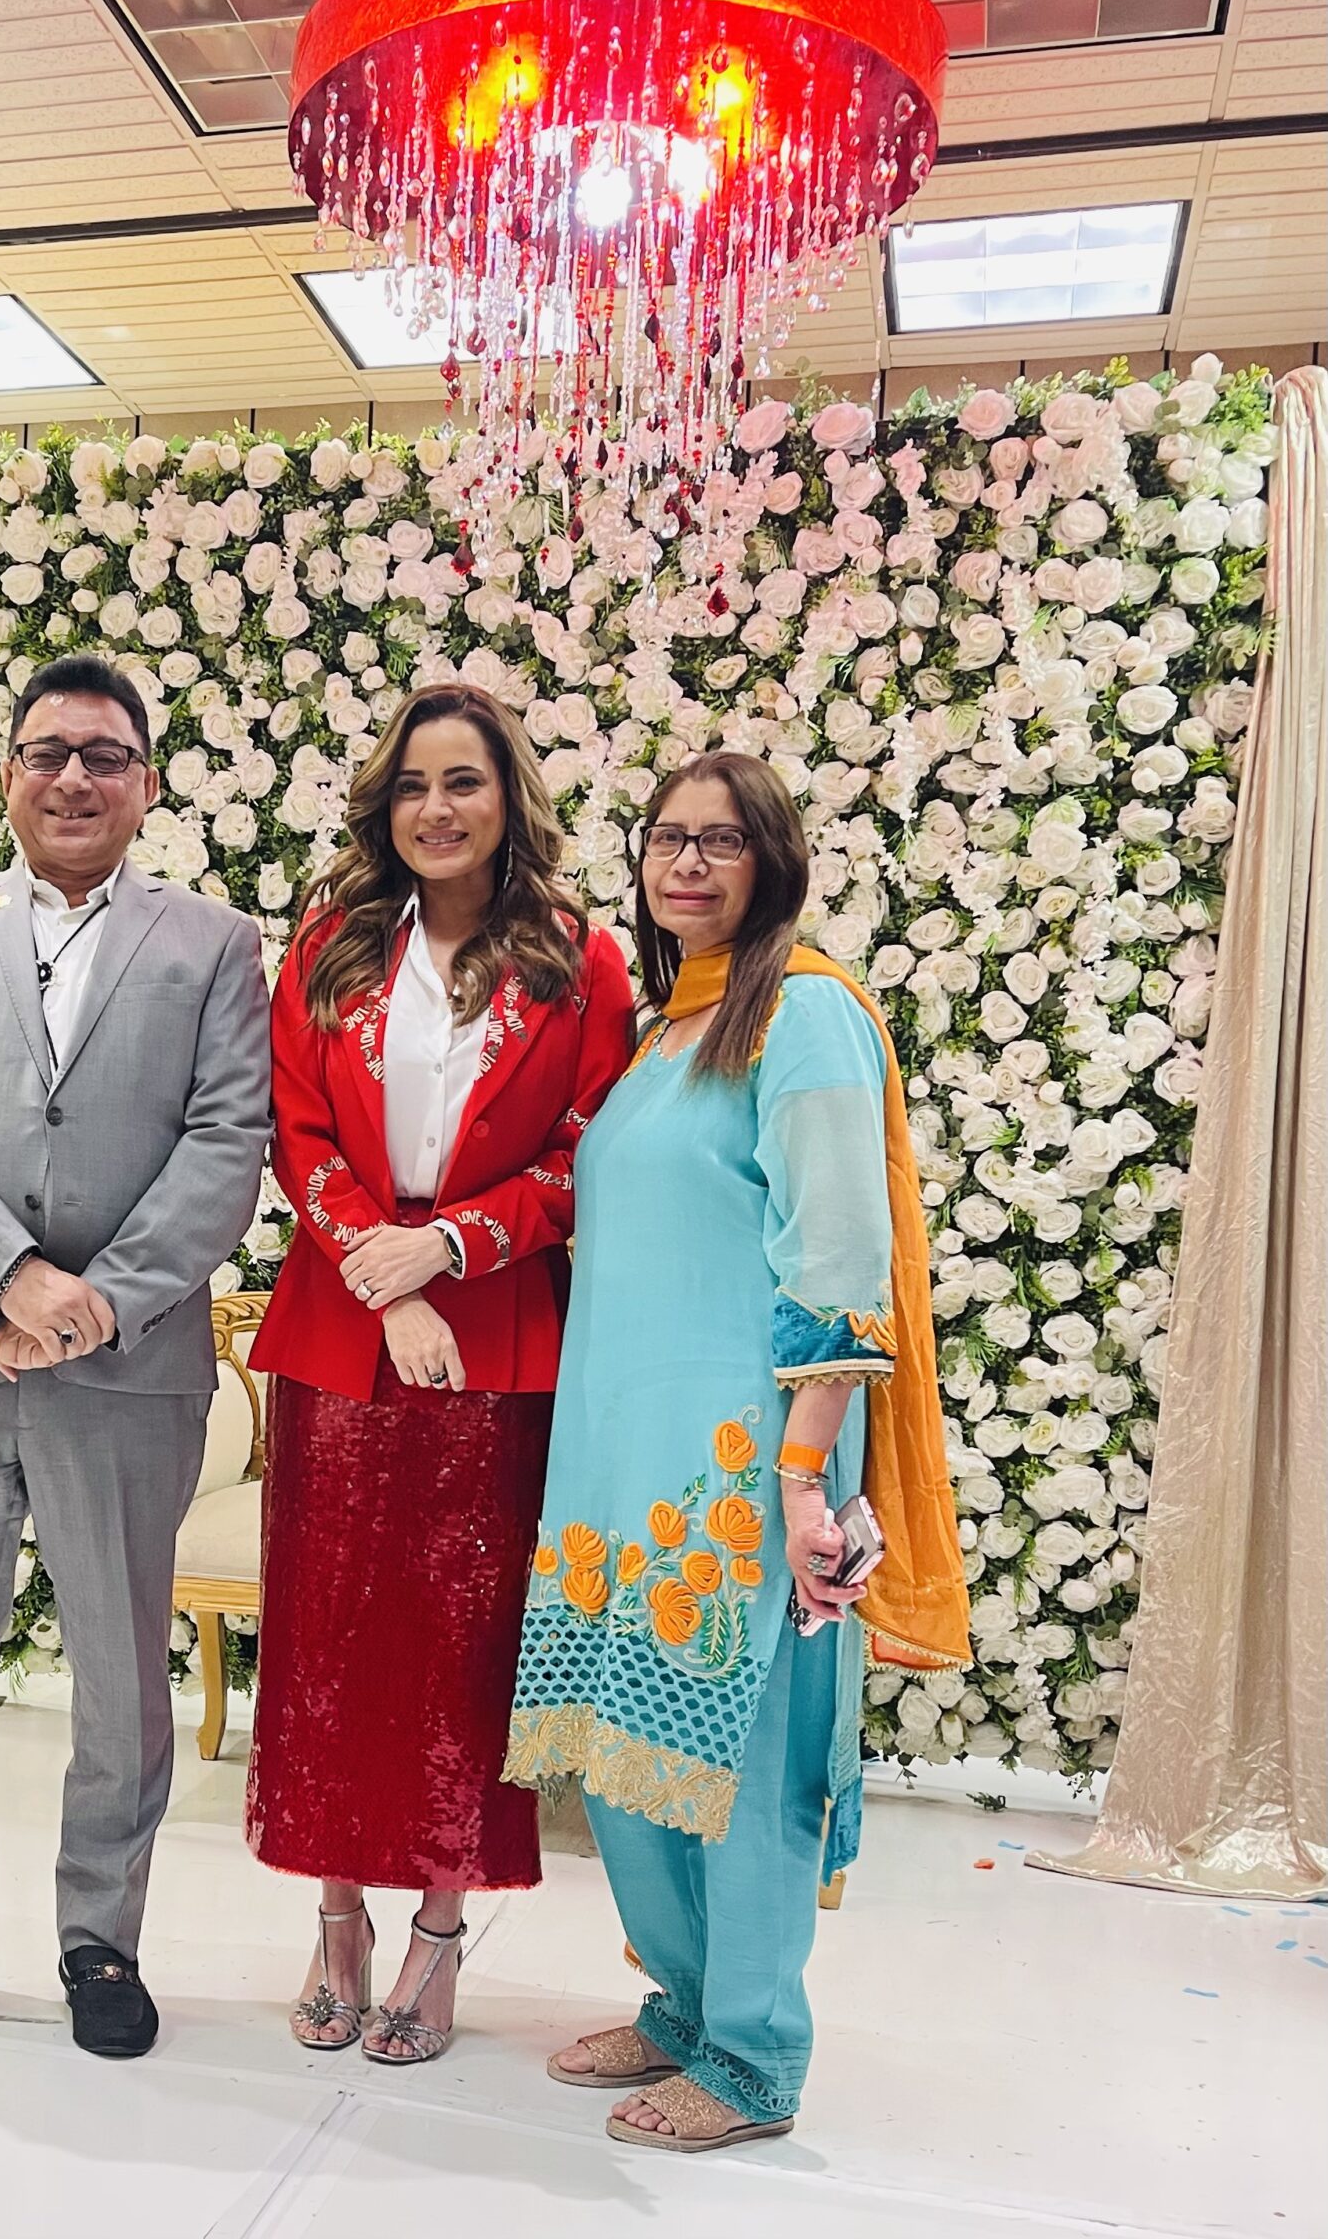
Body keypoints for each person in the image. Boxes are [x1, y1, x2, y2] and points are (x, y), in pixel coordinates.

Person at [506, 751, 970, 2153]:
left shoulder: (804, 1016)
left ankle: (756, 2055)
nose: (686, 864)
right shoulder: (666, 1030)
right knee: (636, 1754)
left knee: (745, 1761)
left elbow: (837, 1254)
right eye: (664, 839)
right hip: (614, 1458)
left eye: (720, 841)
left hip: (742, 1467)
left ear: (773, 860)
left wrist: (802, 1470)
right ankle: (687, 2004)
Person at [0, 654, 270, 2059]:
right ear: (7, 775)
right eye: (45, 752)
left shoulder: (212, 943)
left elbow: (225, 1142)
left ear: (145, 783)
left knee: (120, 1680)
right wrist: (9, 1277)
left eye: (102, 755)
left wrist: (101, 1300)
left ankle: (100, 1940)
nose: (72, 777)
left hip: (126, 1374)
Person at [246, 683, 637, 2065]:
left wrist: (450, 1253)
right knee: (328, 1638)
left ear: (506, 798)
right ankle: (337, 1914)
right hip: (340, 1326)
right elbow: (297, 1132)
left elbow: (584, 1150)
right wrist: (377, 1263)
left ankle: (438, 1928)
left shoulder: (580, 963)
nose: (435, 809)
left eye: (462, 782)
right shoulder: (331, 950)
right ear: (384, 803)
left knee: (457, 1652)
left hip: (498, 1334)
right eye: (413, 786)